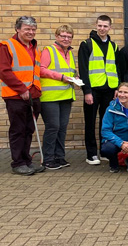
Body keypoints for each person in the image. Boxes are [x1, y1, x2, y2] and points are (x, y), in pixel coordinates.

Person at [0, 16, 44, 175]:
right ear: (17, 29)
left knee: (28, 130)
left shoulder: (34, 48)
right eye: (27, 29)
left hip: (33, 96)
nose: (30, 32)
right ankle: (17, 163)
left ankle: (26, 160)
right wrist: (21, 90)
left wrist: (35, 92)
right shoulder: (7, 46)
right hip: (16, 96)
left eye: (33, 29)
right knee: (18, 130)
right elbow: (4, 72)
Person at [78, 15, 120, 165]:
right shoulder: (86, 44)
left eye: (105, 26)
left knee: (106, 122)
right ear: (96, 25)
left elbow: (117, 69)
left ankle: (104, 151)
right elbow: (83, 70)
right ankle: (91, 154)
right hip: (93, 90)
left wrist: (117, 88)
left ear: (110, 28)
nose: (102, 29)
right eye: (100, 26)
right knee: (90, 121)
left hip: (109, 89)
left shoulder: (114, 46)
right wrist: (86, 91)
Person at [39, 25, 79, 170]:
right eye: (63, 36)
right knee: (53, 127)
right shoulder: (48, 50)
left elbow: (69, 72)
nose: (66, 39)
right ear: (57, 37)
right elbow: (41, 69)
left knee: (62, 128)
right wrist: (62, 77)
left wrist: (75, 77)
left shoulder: (69, 53)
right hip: (50, 97)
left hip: (66, 95)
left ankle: (59, 157)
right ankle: (48, 158)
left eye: (69, 37)